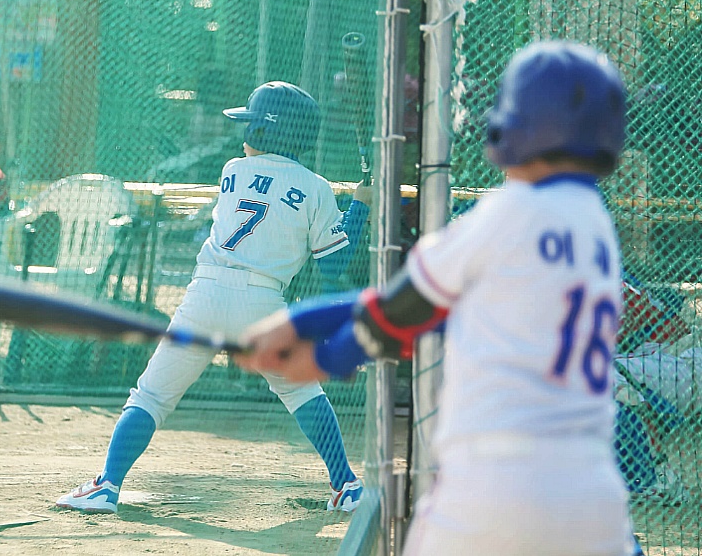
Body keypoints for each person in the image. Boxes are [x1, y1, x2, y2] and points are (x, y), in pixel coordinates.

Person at [236, 42, 637, 555]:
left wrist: (314, 343)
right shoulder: (596, 229)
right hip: (593, 495)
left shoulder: (508, 214)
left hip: (492, 485)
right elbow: (461, 320)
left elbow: (397, 311)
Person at [56, 81, 371, 515]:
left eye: (251, 124)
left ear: (266, 130)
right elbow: (334, 266)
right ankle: (346, 485)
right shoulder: (316, 188)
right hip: (262, 303)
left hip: (205, 294)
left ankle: (106, 486)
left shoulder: (232, 170)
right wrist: (361, 206)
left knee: (151, 396)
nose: (243, 133)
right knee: (301, 393)